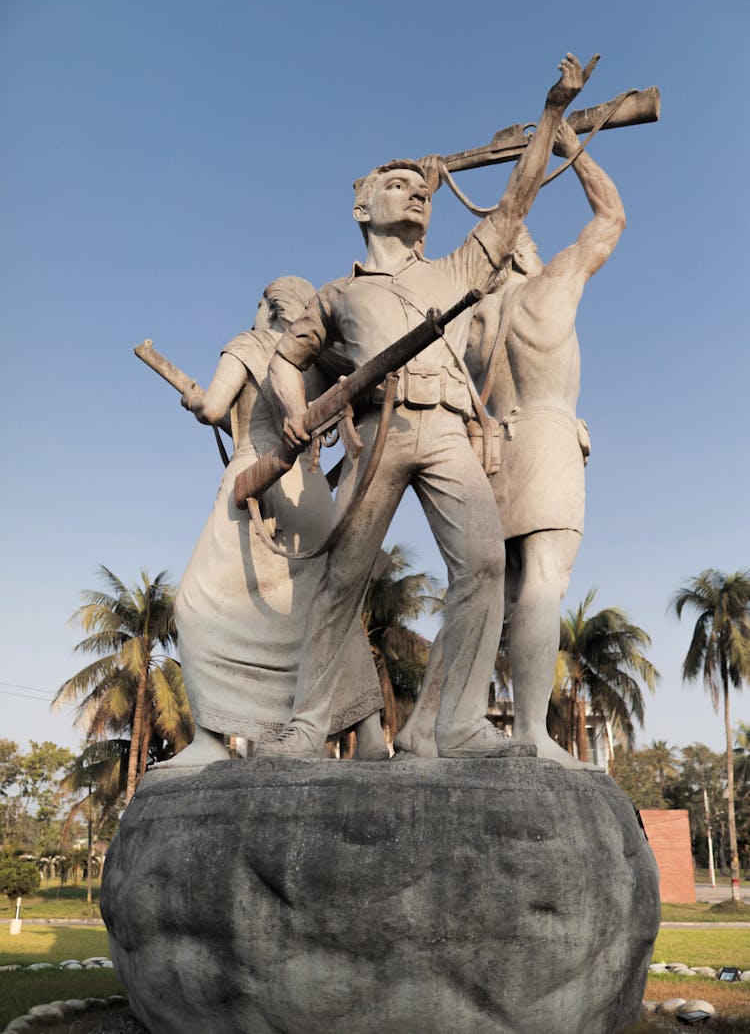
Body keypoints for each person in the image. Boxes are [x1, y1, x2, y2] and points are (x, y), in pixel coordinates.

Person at [258, 55, 590, 760]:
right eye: (397, 185)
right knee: (342, 578)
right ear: (361, 206)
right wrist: (293, 411)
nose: (415, 195)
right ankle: (307, 723)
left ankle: (460, 721)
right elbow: (287, 360)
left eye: (421, 189)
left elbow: (515, 206)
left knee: (482, 566)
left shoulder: (452, 271)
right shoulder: (337, 296)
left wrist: (552, 112)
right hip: (380, 431)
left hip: (446, 431)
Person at [394, 117, 626, 766]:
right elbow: (610, 217)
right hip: (548, 442)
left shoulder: (471, 322)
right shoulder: (551, 289)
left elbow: (412, 288)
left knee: (482, 595)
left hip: (491, 451)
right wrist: (570, 145)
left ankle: (418, 727)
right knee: (543, 581)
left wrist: (431, 198)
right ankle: (531, 731)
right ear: (525, 251)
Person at [168, 276, 387, 768]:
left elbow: (214, 408)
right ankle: (370, 733)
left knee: (197, 606)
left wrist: (194, 401)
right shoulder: (319, 362)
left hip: (255, 478)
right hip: (309, 491)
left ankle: (210, 737)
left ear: (268, 307)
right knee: (323, 607)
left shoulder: (247, 345)